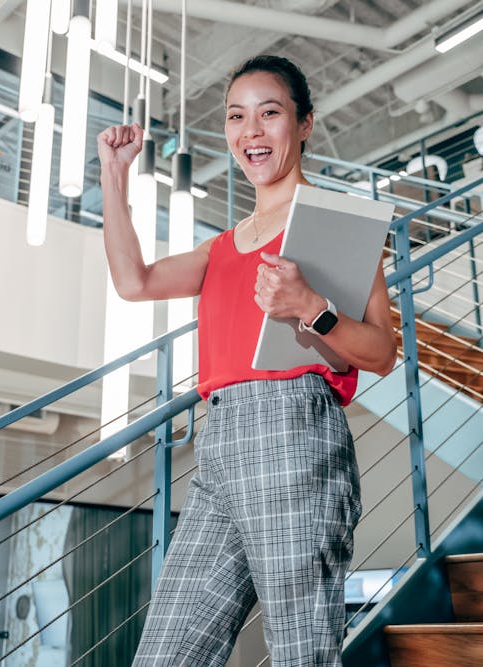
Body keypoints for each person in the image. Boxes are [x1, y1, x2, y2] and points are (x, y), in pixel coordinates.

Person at [97, 55, 397, 667]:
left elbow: (384, 353)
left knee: (299, 654)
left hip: (296, 437)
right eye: (237, 116)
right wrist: (113, 174)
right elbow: (134, 280)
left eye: (271, 113)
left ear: (305, 124)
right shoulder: (224, 245)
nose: (251, 131)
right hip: (220, 445)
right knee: (165, 654)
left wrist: (313, 308)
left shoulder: (335, 223)